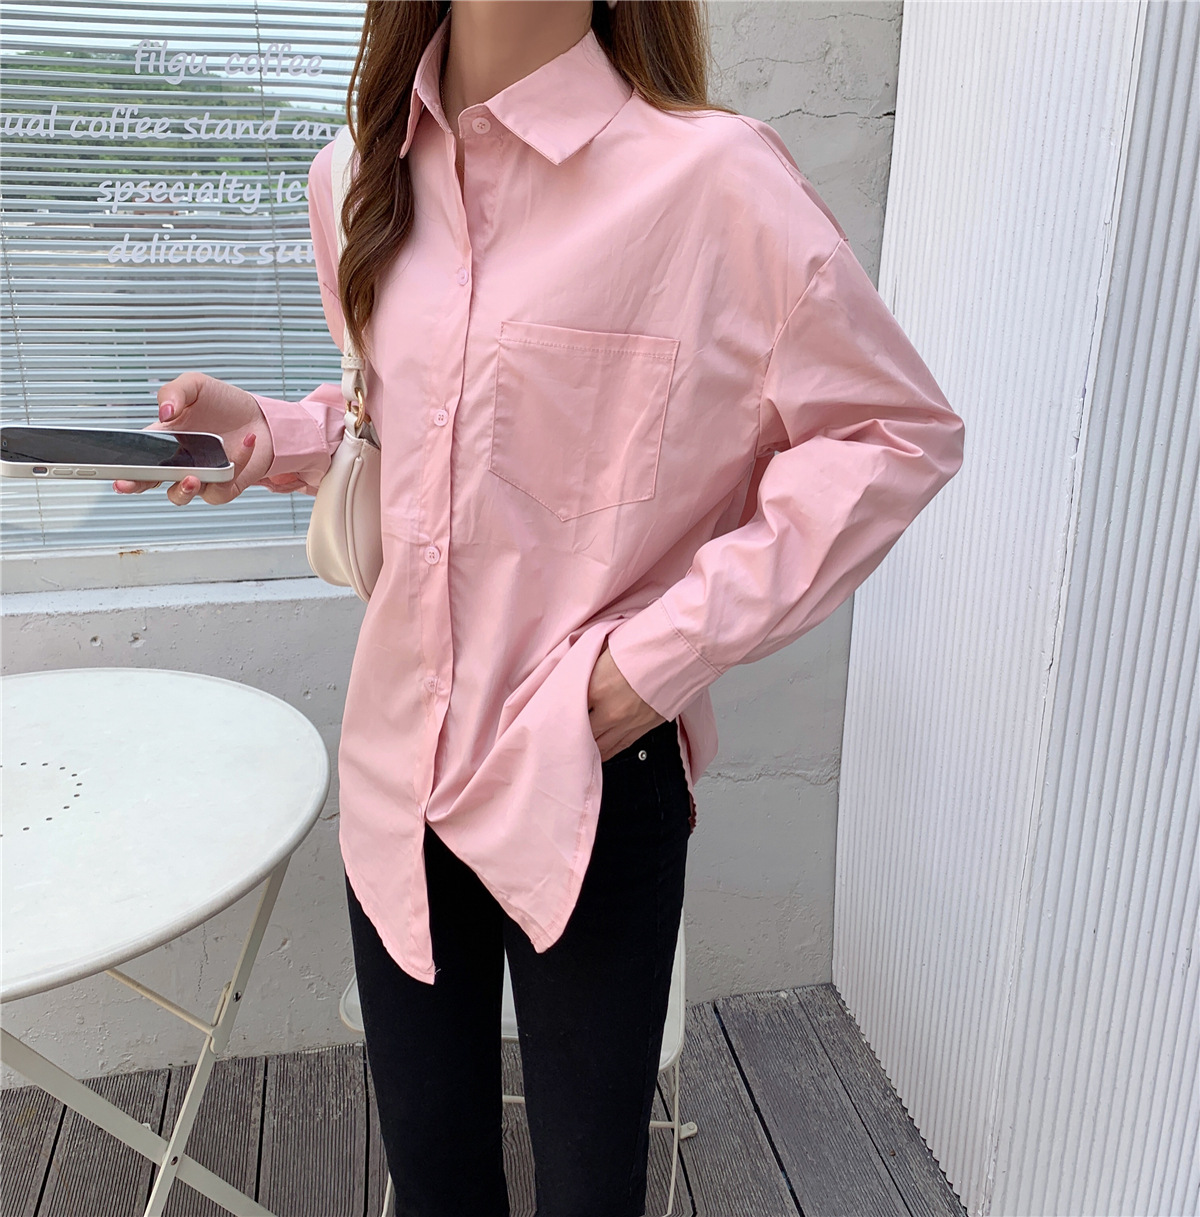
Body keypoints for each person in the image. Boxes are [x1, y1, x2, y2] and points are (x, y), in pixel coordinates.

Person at [114, 2, 965, 1213]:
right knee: (434, 1182)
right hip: (400, 765)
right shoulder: (354, 173)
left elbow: (891, 433)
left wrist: (651, 662)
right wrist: (276, 432)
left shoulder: (712, 183)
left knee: (590, 1188)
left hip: (588, 768)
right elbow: (416, 419)